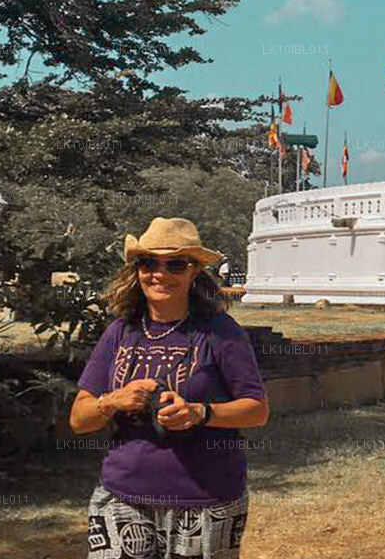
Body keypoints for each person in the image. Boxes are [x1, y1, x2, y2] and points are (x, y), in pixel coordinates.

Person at [68, 217, 270, 559]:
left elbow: (257, 410)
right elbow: (78, 419)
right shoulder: (120, 332)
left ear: (194, 272)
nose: (159, 274)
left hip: (205, 499)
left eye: (175, 264)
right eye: (149, 263)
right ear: (137, 271)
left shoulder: (221, 332)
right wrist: (113, 400)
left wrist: (199, 413)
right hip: (122, 496)